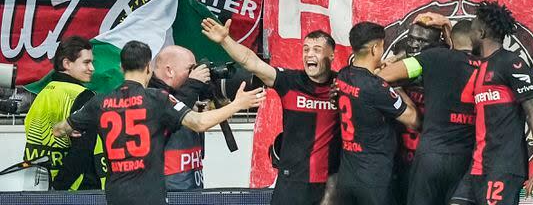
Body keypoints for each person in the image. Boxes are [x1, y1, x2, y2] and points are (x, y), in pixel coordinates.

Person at [52, 40, 267, 205]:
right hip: (149, 195)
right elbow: (199, 123)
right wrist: (237, 104)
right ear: (148, 67)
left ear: (120, 67)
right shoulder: (157, 99)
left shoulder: (100, 101)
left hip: (115, 195)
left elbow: (59, 129)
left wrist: (72, 130)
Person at [200, 20, 339, 205]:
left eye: (316, 49)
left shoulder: (343, 85)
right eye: (306, 49)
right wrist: (226, 41)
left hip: (330, 184)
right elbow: (251, 62)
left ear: (331, 55)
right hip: (292, 182)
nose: (309, 54)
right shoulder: (290, 81)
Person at [454, 1, 533, 205]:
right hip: (478, 166)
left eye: (471, 30)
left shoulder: (512, 63)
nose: (469, 36)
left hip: (503, 167)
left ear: (481, 33)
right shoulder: (480, 67)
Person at [379, 16, 479, 205]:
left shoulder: (433, 58)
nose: (415, 45)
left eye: (422, 41)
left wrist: (399, 87)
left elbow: (384, 76)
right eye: (412, 39)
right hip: (463, 158)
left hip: (431, 156)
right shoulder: (488, 64)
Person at [335, 21, 421, 205]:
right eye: (382, 47)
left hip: (347, 176)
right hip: (374, 179)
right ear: (375, 49)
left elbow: (364, 80)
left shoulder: (342, 75)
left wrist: (379, 69)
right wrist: (396, 85)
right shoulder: (376, 88)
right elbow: (414, 121)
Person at [24, 36, 105, 190]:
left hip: (39, 185)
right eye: (86, 62)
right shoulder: (83, 96)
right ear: (67, 63)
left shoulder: (42, 94)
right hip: (75, 189)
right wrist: (59, 188)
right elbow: (82, 151)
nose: (92, 68)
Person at [149, 45, 211, 191]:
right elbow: (170, 114)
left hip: (192, 185)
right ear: (170, 71)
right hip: (167, 191)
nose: (194, 74)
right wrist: (194, 85)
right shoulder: (151, 96)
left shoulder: (184, 97)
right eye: (190, 69)